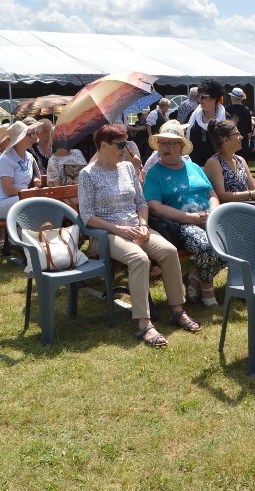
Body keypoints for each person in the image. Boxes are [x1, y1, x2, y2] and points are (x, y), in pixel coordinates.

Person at [78, 124, 200, 346]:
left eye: (127, 143)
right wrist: (118, 229)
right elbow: (86, 216)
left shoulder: (126, 168)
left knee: (169, 251)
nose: (126, 148)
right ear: (103, 146)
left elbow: (141, 203)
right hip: (106, 234)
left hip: (136, 228)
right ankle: (145, 324)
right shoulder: (88, 174)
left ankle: (177, 310)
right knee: (139, 259)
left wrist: (143, 224)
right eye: (121, 144)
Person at [144, 122, 226, 308]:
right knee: (207, 246)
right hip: (180, 225)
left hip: (209, 219)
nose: (165, 147)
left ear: (181, 147)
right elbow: (154, 207)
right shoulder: (154, 174)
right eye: (162, 143)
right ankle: (207, 289)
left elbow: (212, 194)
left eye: (171, 143)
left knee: (240, 239)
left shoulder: (195, 168)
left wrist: (213, 210)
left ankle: (194, 276)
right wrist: (190, 218)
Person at [203, 120, 255, 275]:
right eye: (237, 134)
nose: (241, 137)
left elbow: (253, 189)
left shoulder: (240, 160)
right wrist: (252, 194)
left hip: (249, 213)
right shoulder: (213, 163)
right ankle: (245, 277)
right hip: (228, 217)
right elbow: (221, 196)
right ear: (226, 140)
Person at [0, 121, 41, 221]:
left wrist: (35, 179)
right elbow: (8, 190)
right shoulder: (6, 159)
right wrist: (29, 193)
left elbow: (37, 175)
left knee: (40, 202)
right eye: (29, 134)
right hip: (2, 203)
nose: (32, 137)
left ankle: (37, 234)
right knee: (34, 203)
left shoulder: (29, 157)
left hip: (23, 199)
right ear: (20, 139)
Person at [186, 78, 226, 166]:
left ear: (215, 97)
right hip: (195, 166)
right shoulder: (192, 115)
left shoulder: (226, 117)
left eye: (203, 97)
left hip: (218, 166)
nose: (199, 99)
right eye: (198, 95)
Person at [225, 87, 254, 159]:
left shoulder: (227, 109)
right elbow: (249, 130)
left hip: (230, 138)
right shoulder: (246, 110)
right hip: (243, 139)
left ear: (232, 97)